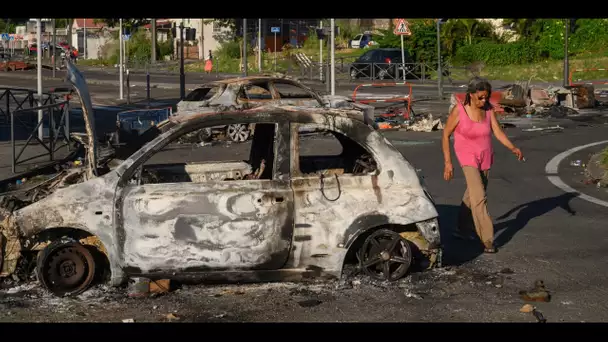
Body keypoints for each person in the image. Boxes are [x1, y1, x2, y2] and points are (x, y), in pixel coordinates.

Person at [441, 77, 524, 254]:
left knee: (472, 195)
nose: (484, 100)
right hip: (467, 156)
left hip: (485, 156)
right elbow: (446, 134)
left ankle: (461, 229)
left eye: (486, 97)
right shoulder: (459, 111)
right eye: (480, 97)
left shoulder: (488, 110)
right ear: (470, 95)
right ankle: (487, 239)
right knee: (479, 197)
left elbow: (497, 132)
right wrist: (448, 163)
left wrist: (513, 147)